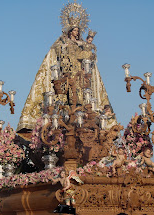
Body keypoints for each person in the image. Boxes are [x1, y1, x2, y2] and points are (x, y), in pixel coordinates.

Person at [17, 2, 115, 133]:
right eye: (74, 30)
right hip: (67, 75)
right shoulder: (62, 43)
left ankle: (84, 117)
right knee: (66, 99)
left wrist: (88, 50)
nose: (76, 32)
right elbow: (57, 54)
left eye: (78, 30)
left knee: (81, 99)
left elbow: (89, 56)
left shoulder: (82, 44)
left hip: (81, 75)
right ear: (69, 31)